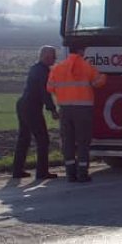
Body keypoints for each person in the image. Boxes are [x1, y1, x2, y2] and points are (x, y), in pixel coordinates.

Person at [46, 45, 107, 183]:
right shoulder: (87, 66)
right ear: (81, 51)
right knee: (83, 142)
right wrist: (104, 76)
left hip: (65, 109)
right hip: (83, 110)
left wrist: (63, 95)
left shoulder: (57, 68)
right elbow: (98, 83)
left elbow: (50, 87)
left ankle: (70, 174)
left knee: (68, 142)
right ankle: (82, 174)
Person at [11, 45, 59, 181]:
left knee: (24, 138)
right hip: (32, 107)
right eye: (53, 56)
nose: (55, 59)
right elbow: (45, 92)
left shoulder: (35, 68)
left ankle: (17, 170)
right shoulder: (43, 71)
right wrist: (53, 110)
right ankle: (42, 172)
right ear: (46, 57)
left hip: (22, 104)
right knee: (43, 139)